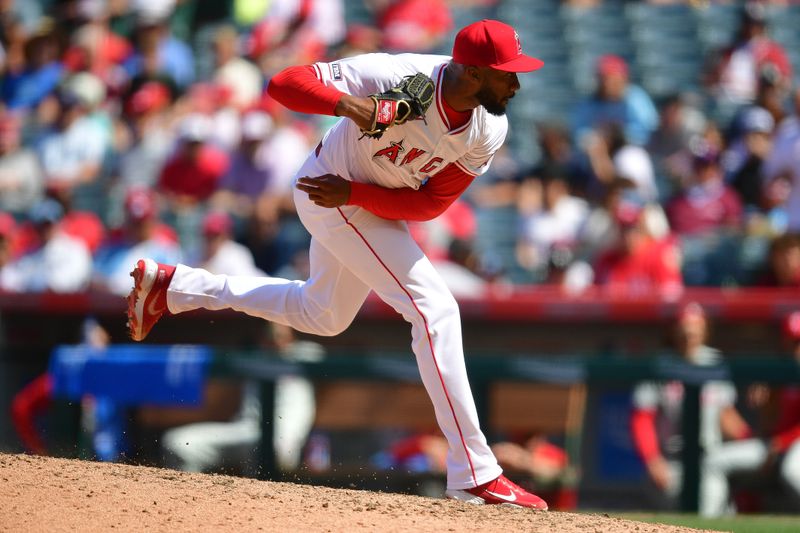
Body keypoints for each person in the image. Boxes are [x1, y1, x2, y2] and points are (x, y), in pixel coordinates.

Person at [127, 19, 549, 510]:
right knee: (436, 311)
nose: (516, 83)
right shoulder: (395, 73)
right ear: (473, 73)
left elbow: (431, 203)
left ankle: (175, 287)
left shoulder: (489, 127)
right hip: (329, 190)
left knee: (322, 315)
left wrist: (358, 193)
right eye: (506, 73)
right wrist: (357, 107)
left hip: (358, 197)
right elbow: (283, 84)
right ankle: (475, 471)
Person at [629, 302, 751, 513]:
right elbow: (642, 418)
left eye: (695, 328)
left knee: (716, 505)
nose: (689, 334)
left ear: (704, 330)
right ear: (674, 331)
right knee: (694, 507)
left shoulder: (714, 360)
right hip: (671, 461)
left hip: (711, 458)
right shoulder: (659, 364)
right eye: (684, 328)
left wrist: (750, 443)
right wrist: (652, 459)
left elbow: (725, 415)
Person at [701, 311, 800, 516]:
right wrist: (767, 399)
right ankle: (710, 526)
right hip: (775, 446)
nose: (797, 349)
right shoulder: (780, 373)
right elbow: (769, 426)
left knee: (792, 470)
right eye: (793, 342)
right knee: (714, 462)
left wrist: (782, 442)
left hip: (790, 446)